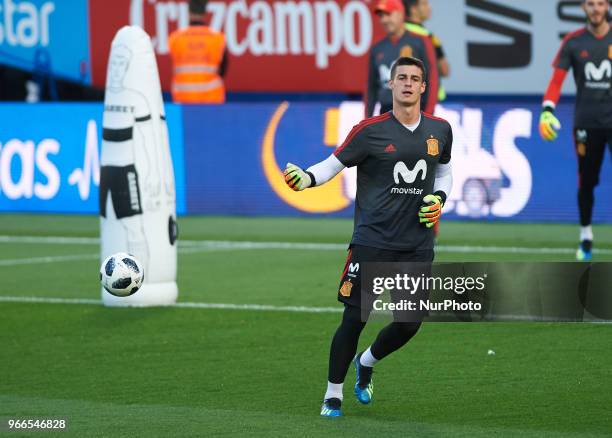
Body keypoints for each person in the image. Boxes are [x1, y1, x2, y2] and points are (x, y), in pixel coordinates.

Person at [283, 56, 453, 417]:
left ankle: (367, 361)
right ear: (391, 85)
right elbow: (332, 165)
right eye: (401, 77)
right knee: (354, 320)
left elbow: (444, 174)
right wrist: (307, 178)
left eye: (415, 79)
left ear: (424, 87)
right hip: (371, 242)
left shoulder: (440, 130)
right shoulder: (369, 130)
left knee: (409, 324)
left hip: (417, 245)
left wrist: (439, 199)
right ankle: (332, 394)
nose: (407, 83)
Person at [539, 0, 611, 261]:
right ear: (583, 8)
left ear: (607, 6)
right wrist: (547, 109)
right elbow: (556, 81)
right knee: (586, 182)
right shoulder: (573, 42)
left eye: (600, 3)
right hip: (586, 123)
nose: (595, 9)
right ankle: (586, 236)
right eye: (590, 4)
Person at [366, 0, 439, 117]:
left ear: (400, 14)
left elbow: (432, 79)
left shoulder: (421, 42)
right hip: (386, 114)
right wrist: (367, 120)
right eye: (381, 16)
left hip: (415, 113)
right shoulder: (377, 48)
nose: (384, 20)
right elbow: (371, 88)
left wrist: (428, 115)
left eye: (388, 14)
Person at [168, 0, 227, 103]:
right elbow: (223, 68)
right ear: (204, 12)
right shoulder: (217, 38)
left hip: (183, 100)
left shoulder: (175, 38)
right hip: (212, 99)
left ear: (189, 12)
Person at [404, 0, 450, 101]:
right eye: (424, 4)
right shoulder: (428, 37)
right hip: (425, 99)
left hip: (401, 98)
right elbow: (444, 70)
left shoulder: (397, 33)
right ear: (413, 9)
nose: (429, 8)